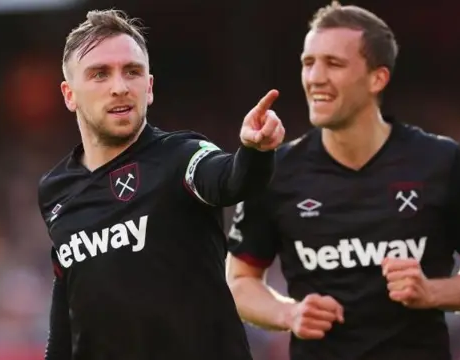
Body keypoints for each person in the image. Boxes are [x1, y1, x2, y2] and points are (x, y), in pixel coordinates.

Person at [226, 2, 460, 360]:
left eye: (333, 63)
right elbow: (239, 281)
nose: (315, 77)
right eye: (308, 63)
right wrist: (288, 312)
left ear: (377, 78)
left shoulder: (440, 162)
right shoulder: (275, 172)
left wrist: (432, 292)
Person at [37, 9, 285, 360]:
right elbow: (67, 299)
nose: (120, 87)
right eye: (100, 74)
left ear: (149, 87)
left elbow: (231, 180)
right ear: (69, 94)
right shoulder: (54, 190)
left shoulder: (181, 157)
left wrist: (255, 152)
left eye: (132, 72)